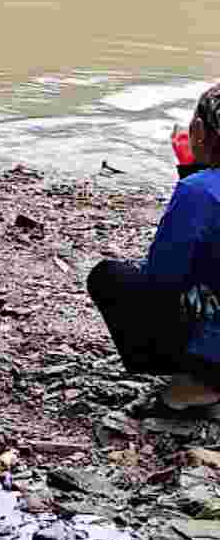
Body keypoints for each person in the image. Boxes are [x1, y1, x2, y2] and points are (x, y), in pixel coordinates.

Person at [89, 86, 220, 411]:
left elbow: (163, 278)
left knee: (111, 277)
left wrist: (191, 175)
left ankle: (198, 385)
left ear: (200, 132)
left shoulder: (198, 191)